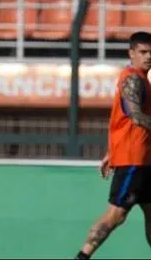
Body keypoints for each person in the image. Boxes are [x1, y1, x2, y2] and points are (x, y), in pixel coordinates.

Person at [74, 31, 151, 259]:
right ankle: (82, 256)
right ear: (131, 53)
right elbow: (134, 115)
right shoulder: (132, 78)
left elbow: (123, 120)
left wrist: (110, 152)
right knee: (115, 215)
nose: (149, 56)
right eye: (143, 52)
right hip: (134, 160)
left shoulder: (144, 80)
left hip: (145, 159)